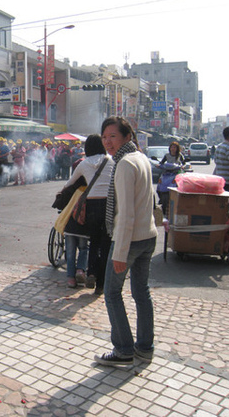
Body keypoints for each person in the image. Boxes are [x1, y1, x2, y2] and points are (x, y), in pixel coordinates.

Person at [94, 117, 158, 367]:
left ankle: (123, 349)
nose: (108, 141)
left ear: (127, 137)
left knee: (111, 293)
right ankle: (145, 347)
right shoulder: (140, 158)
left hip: (129, 240)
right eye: (104, 136)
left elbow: (126, 213)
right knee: (141, 292)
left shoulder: (124, 164)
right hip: (147, 236)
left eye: (113, 136)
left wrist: (119, 252)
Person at [61, 135, 114, 292]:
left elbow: (69, 183)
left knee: (94, 241)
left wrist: (61, 194)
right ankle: (101, 284)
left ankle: (91, 272)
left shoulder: (84, 164)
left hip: (91, 205)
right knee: (105, 243)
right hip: (108, 204)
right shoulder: (111, 160)